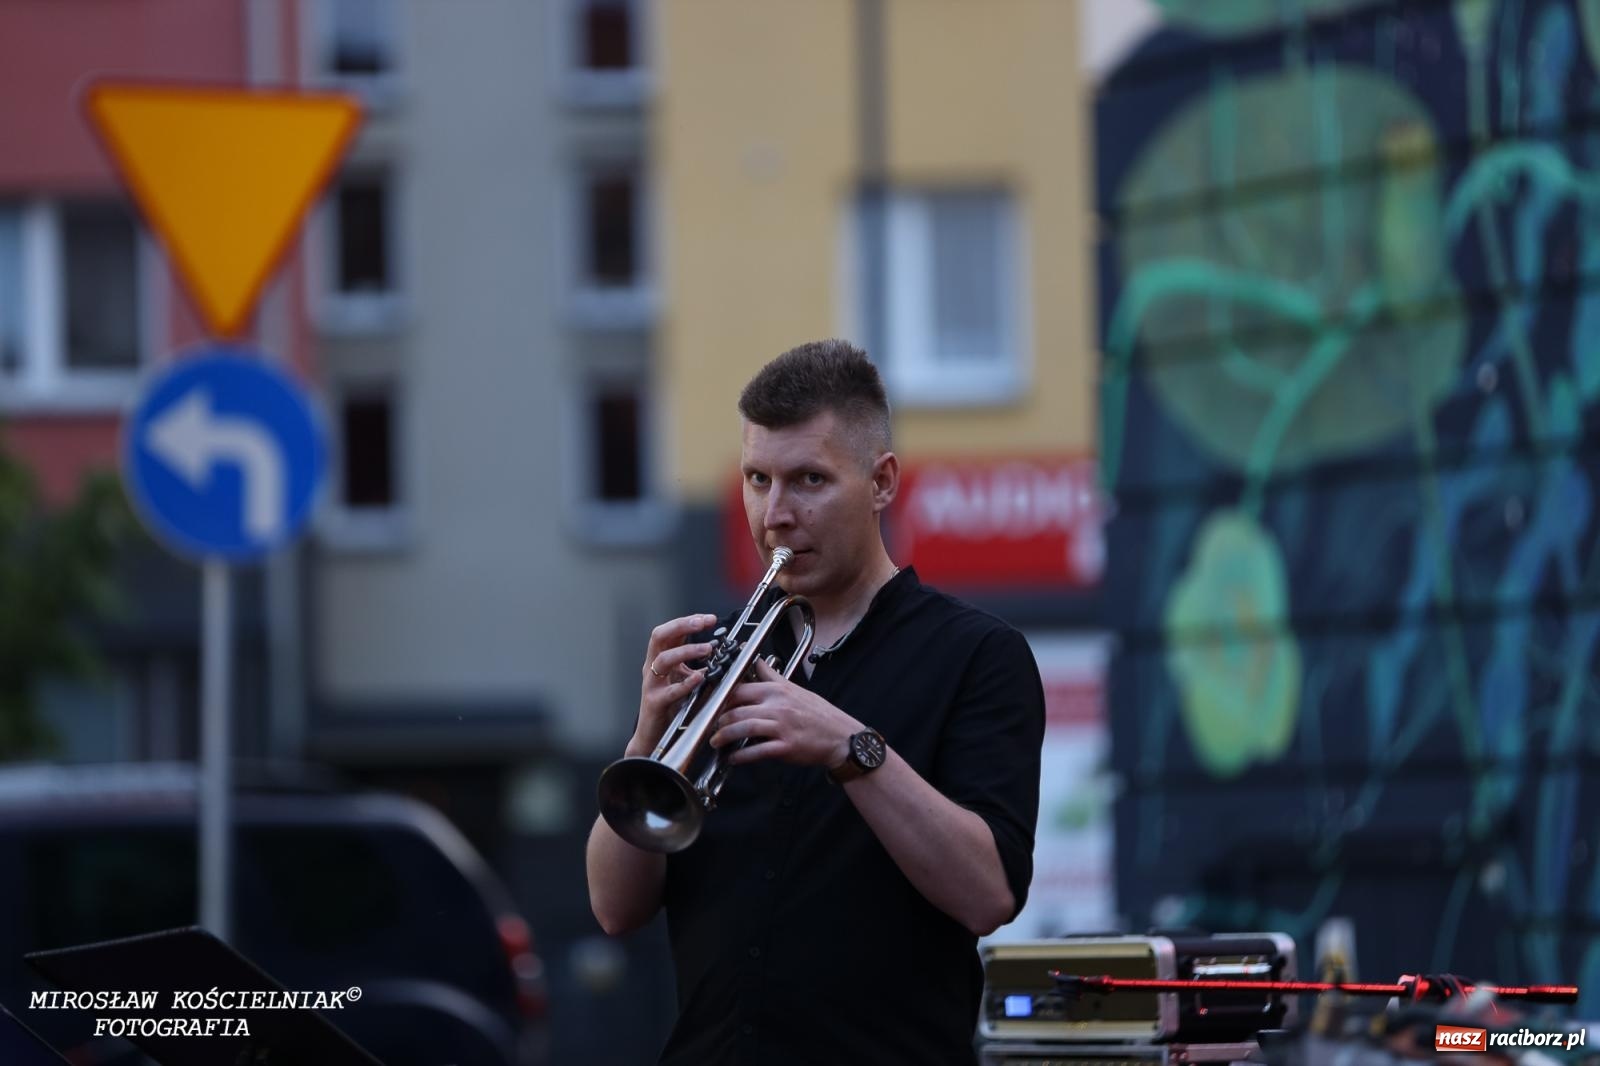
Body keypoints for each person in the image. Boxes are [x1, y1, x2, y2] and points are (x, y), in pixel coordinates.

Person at [586, 339, 1046, 1065]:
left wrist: (851, 750)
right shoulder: (717, 656)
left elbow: (988, 894)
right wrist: (646, 739)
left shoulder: (977, 656)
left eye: (808, 480)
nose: (775, 515)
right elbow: (615, 909)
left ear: (882, 481)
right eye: (757, 479)